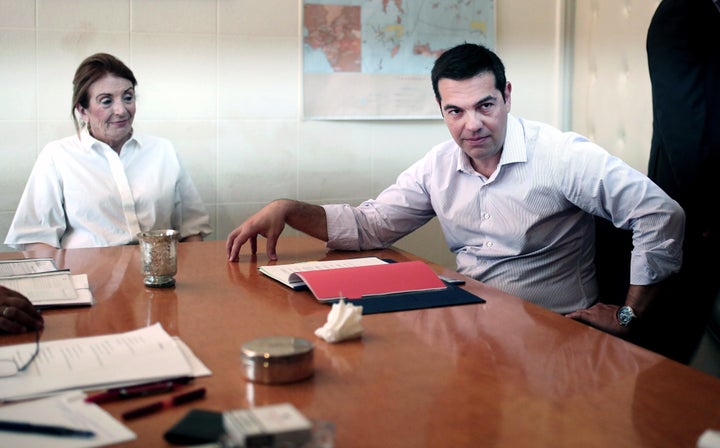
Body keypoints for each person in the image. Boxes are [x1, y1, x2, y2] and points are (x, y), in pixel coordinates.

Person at [226, 43, 684, 338]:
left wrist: (628, 315)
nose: (473, 125)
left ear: (507, 95)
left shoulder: (561, 155)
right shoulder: (438, 165)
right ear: (441, 110)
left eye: (485, 105)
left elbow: (660, 214)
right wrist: (287, 208)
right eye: (456, 111)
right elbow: (370, 225)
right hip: (466, 321)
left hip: (552, 332)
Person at [5, 53, 212, 253]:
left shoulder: (163, 150)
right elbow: (36, 240)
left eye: (128, 97)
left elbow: (191, 231)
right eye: (106, 101)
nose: (121, 110)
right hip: (86, 280)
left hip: (157, 278)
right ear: (82, 111)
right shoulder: (57, 156)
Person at [645, 0, 720, 363]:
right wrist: (704, 209)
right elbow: (682, 122)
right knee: (676, 333)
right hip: (693, 199)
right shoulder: (683, 11)